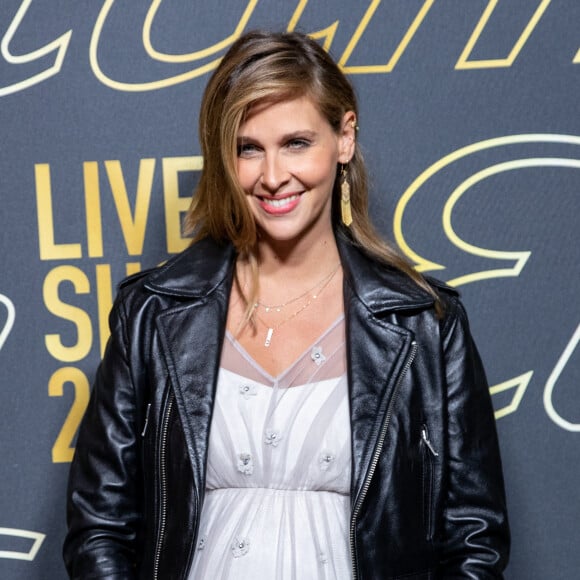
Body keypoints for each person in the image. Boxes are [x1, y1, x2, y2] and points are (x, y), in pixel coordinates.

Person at [63, 30, 509, 579]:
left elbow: (475, 539)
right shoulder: (154, 316)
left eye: (296, 142)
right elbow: (99, 524)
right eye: (249, 148)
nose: (273, 177)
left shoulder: (423, 325)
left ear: (344, 138)